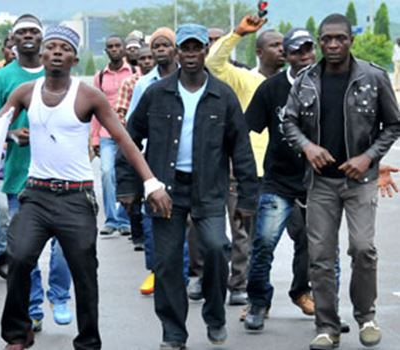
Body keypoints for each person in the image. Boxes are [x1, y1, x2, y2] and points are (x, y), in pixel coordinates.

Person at [0, 24, 171, 350]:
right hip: (35, 194)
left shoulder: (88, 95)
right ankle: (19, 334)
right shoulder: (25, 93)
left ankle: (88, 342)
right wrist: (7, 133)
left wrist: (151, 183)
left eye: (65, 48)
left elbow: (122, 138)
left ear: (75, 58)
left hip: (76, 198)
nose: (57, 52)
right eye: (52, 47)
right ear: (43, 54)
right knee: (18, 257)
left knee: (84, 274)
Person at [117, 24, 259, 348]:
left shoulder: (223, 95)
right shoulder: (157, 93)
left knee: (216, 248)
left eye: (197, 48)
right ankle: (173, 333)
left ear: (205, 51)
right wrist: (130, 186)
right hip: (165, 192)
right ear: (179, 53)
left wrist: (248, 199)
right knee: (167, 264)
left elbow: (241, 149)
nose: (192, 54)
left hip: (208, 189)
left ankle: (215, 313)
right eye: (186, 48)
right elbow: (129, 138)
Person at [283, 14, 400, 350]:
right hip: (320, 183)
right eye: (327, 39)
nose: (333, 45)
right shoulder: (305, 81)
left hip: (360, 179)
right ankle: (327, 326)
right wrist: (307, 146)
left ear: (351, 40)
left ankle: (367, 317)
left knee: (363, 249)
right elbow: (288, 122)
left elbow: (393, 125)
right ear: (320, 42)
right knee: (320, 255)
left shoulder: (373, 77)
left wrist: (369, 157)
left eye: (340, 38)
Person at [0, 14, 73, 333]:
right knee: (24, 251)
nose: (29, 36)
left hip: (64, 179)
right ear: (13, 39)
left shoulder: (62, 76)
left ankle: (59, 295)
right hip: (20, 178)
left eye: (35, 31)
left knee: (65, 247)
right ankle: (33, 307)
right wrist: (10, 135)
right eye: (23, 32)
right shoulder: (2, 79)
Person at [200, 14, 286, 306]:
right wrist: (237, 33)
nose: (282, 49)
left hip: (285, 175)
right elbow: (212, 64)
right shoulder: (246, 79)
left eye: (284, 44)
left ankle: (300, 289)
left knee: (286, 238)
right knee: (242, 232)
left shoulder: (297, 83)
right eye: (275, 45)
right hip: (247, 171)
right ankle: (239, 285)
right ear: (260, 52)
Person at [242, 28, 317, 331]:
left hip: (319, 181)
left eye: (309, 49)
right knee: (263, 243)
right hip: (277, 181)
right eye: (297, 51)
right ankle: (258, 302)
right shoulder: (271, 89)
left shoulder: (329, 84)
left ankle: (311, 297)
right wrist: (243, 171)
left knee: (317, 246)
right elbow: (246, 130)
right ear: (286, 55)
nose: (304, 56)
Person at [123, 27, 178, 296]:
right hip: (152, 158)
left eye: (165, 44)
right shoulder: (145, 84)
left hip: (183, 157)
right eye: (155, 45)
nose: (159, 49)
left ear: (175, 49)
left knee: (183, 217)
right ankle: (156, 270)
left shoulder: (190, 79)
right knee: (152, 215)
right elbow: (133, 126)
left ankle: (182, 270)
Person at [91, 35, 134, 236]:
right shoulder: (100, 77)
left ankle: (125, 219)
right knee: (108, 173)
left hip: (129, 134)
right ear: (106, 51)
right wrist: (94, 138)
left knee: (127, 176)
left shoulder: (134, 72)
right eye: (110, 46)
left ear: (124, 49)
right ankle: (111, 219)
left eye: (118, 46)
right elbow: (95, 110)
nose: (114, 49)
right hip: (107, 134)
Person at [114, 46, 155, 252]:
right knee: (138, 195)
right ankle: (139, 235)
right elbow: (129, 116)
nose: (147, 62)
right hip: (138, 143)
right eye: (143, 58)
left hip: (160, 149)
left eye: (150, 58)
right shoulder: (138, 84)